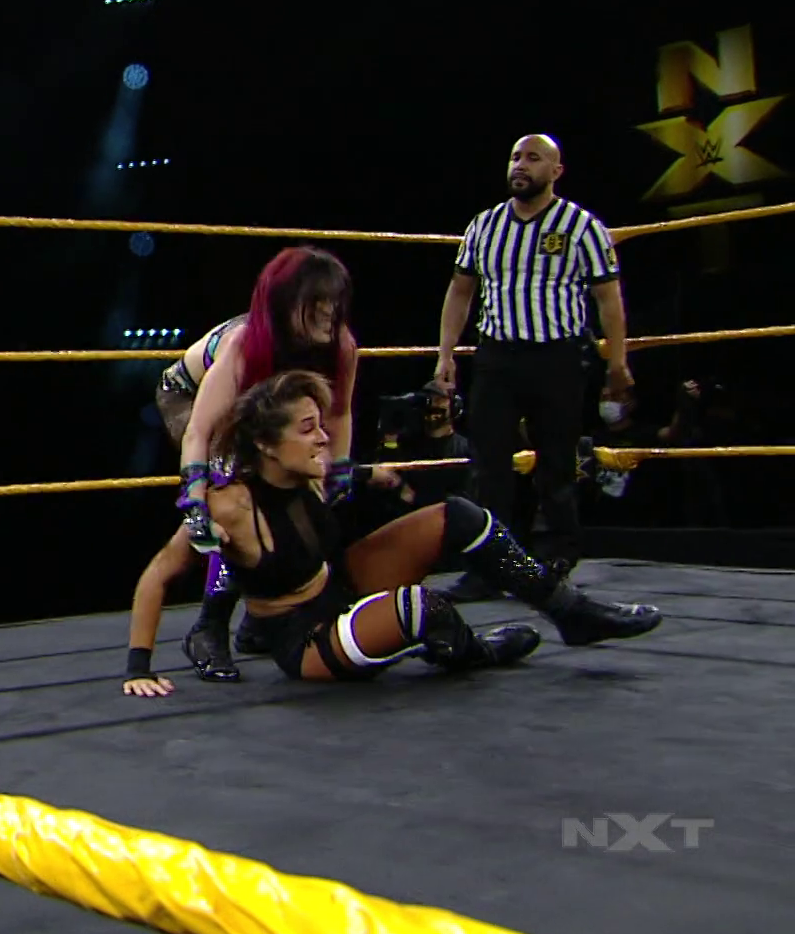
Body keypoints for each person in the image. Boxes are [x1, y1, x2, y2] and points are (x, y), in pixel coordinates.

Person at [122, 371, 661, 697]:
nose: (322, 437)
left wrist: (374, 475)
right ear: (266, 445)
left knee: (461, 516)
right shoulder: (231, 504)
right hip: (303, 637)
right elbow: (157, 574)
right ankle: (477, 652)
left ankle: (569, 610)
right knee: (420, 609)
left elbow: (348, 474)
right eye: (307, 429)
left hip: (341, 586)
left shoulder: (313, 475)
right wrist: (137, 668)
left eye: (320, 424)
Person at [153, 245, 361, 683]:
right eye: (317, 300)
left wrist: (337, 469)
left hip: (260, 408)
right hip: (190, 400)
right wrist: (195, 499)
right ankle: (208, 627)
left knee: (300, 485)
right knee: (240, 492)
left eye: (334, 299)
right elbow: (200, 431)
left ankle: (261, 618)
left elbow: (339, 413)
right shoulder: (245, 345)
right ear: (289, 301)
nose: (329, 310)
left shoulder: (340, 345)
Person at [435, 134, 630, 578]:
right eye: (515, 157)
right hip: (496, 357)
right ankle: (492, 563)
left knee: (557, 461)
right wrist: (445, 354)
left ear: (555, 171)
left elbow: (608, 298)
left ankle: (555, 556)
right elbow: (460, 291)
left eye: (533, 158)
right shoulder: (484, 225)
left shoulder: (580, 225)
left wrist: (617, 362)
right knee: (488, 464)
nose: (520, 165)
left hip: (557, 356)